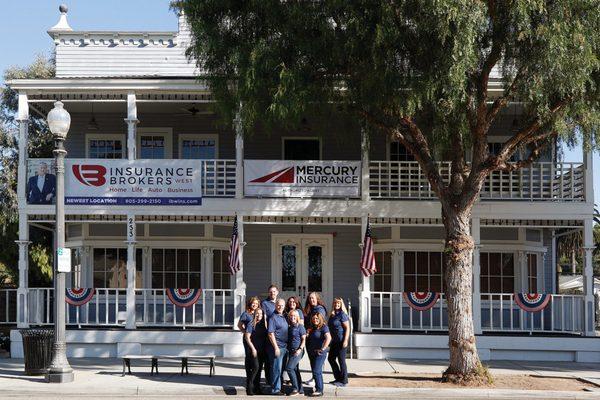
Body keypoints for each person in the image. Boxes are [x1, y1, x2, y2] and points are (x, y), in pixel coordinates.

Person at [306, 313, 331, 397]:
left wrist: (323, 348)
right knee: (316, 371)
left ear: (320, 319)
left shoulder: (324, 327)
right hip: (312, 352)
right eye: (314, 318)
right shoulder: (312, 328)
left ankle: (320, 390)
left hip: (320, 353)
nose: (315, 320)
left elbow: (328, 338)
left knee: (316, 371)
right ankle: (318, 388)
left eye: (317, 318)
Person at [267, 298, 288, 395]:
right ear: (275, 306)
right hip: (277, 347)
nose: (280, 307)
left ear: (284, 307)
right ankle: (275, 389)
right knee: (276, 369)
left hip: (284, 347)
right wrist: (276, 348)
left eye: (282, 305)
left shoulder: (284, 316)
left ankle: (279, 387)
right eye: (278, 305)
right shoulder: (273, 317)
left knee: (281, 369)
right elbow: (270, 333)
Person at [327, 297, 350, 387]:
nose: (337, 305)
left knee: (341, 360)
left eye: (338, 303)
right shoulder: (332, 314)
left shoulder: (342, 314)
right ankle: (338, 378)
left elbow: (347, 328)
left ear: (341, 305)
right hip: (334, 341)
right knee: (331, 358)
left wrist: (346, 340)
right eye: (335, 303)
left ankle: (344, 381)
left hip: (341, 340)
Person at [245, 308, 268, 395]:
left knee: (259, 370)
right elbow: (247, 337)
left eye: (261, 314)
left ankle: (257, 388)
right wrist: (253, 349)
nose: (259, 315)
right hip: (253, 350)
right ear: (254, 314)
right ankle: (249, 387)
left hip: (262, 350)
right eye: (257, 313)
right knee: (255, 368)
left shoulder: (263, 324)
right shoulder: (251, 324)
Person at [240, 296, 260, 390]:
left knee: (254, 362)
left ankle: (251, 382)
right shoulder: (246, 313)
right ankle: (249, 382)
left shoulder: (257, 314)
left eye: (256, 304)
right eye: (253, 303)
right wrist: (244, 332)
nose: (254, 305)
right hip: (248, 339)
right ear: (250, 303)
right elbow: (239, 325)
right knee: (249, 358)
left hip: (256, 339)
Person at [285, 311, 306, 396]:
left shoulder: (300, 327)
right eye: (291, 316)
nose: (292, 317)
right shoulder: (290, 327)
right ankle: (301, 389)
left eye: (294, 316)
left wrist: (300, 349)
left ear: (297, 317)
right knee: (295, 370)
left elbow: (304, 339)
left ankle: (295, 389)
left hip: (298, 351)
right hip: (291, 351)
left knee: (289, 368)